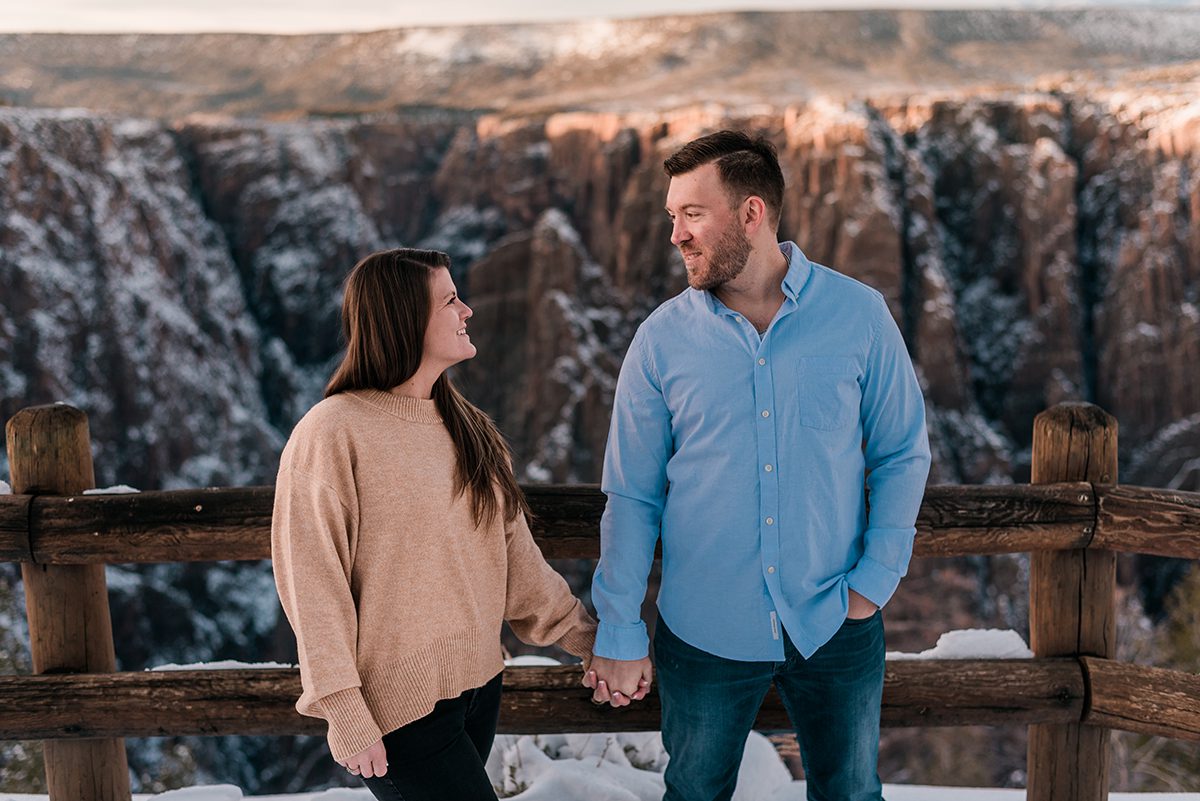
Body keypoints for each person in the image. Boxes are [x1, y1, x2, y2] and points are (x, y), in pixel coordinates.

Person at [584, 131, 931, 801]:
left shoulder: (859, 315)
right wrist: (620, 624)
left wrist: (874, 583)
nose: (676, 234)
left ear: (751, 213)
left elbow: (901, 451)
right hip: (703, 632)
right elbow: (632, 494)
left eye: (692, 213)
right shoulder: (661, 339)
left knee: (853, 795)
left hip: (836, 621)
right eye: (672, 216)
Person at [271, 248, 597, 800]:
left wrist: (587, 639)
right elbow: (312, 582)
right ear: (405, 320)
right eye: (449, 300)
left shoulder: (468, 427)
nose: (466, 310)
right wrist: (343, 708)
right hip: (399, 709)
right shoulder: (332, 431)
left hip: (479, 687)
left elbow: (516, 559)